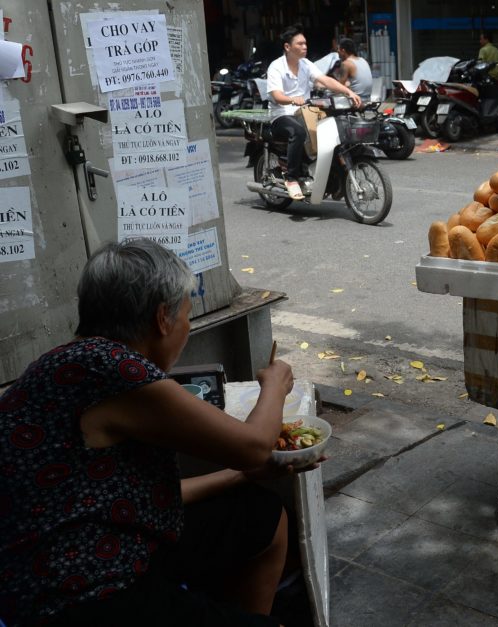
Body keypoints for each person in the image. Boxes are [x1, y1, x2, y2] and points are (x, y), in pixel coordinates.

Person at [0, 239, 310, 627]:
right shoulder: (117, 372)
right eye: (186, 314)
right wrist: (275, 383)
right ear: (163, 319)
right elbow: (254, 446)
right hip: (77, 592)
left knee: (260, 514)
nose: (186, 326)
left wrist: (238, 477)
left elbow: (141, 495)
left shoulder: (67, 361)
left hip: (72, 554)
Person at [266, 24, 361, 201]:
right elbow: (276, 95)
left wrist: (348, 92)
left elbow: (324, 80)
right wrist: (292, 99)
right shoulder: (276, 67)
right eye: (300, 44)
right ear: (288, 47)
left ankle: (333, 177)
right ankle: (292, 178)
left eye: (305, 43)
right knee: (298, 132)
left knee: (332, 131)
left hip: (306, 112)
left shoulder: (306, 64)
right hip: (282, 114)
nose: (305, 47)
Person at [334, 37, 374, 102]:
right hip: (368, 98)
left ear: (343, 51)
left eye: (338, 49)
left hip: (356, 100)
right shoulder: (362, 60)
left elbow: (340, 86)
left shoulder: (346, 63)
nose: (337, 51)